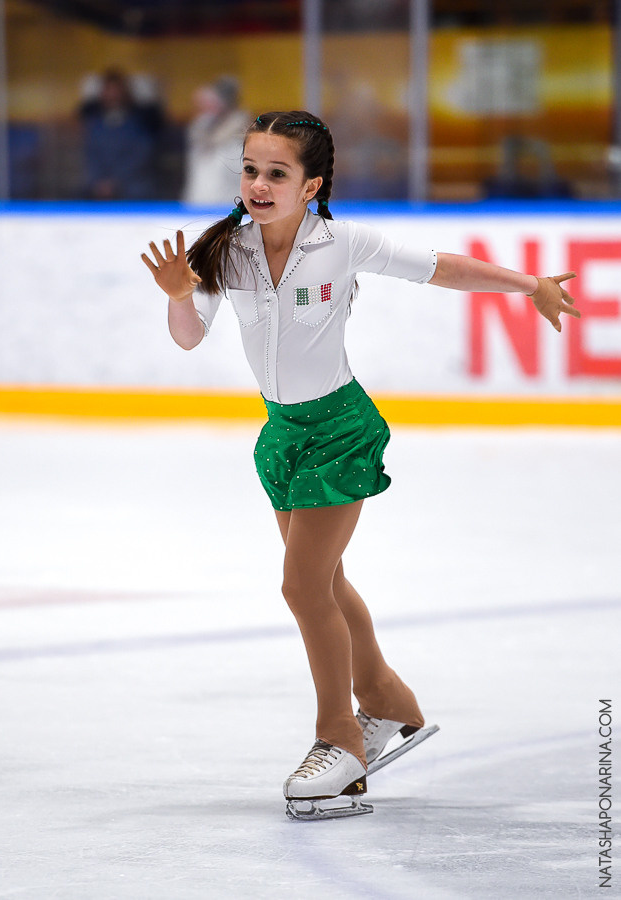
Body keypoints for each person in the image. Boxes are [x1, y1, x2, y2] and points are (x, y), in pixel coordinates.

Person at [141, 110, 581, 821]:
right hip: (280, 435)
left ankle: (339, 742)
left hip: (341, 430)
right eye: (250, 169)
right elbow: (190, 338)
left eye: (276, 173)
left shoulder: (340, 243)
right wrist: (177, 299)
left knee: (301, 584)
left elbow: (441, 269)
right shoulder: (224, 249)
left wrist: (527, 284)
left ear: (311, 184)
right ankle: (387, 700)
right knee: (327, 580)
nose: (258, 183)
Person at [79, 68, 163, 200]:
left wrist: (115, 182)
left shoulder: (140, 123)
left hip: (134, 189)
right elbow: (91, 156)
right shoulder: (95, 124)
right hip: (99, 190)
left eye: (116, 90)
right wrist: (99, 182)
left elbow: (141, 156)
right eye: (108, 90)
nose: (113, 95)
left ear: (125, 92)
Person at [182, 76, 251, 206]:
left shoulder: (242, 133)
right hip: (196, 204)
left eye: (211, 102)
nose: (204, 108)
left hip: (226, 207)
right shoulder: (200, 127)